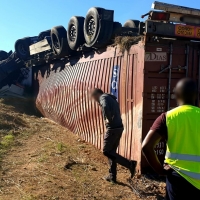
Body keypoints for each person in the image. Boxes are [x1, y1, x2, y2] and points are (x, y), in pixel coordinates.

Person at [142, 78, 200, 200]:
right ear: (196, 95)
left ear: (176, 95)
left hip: (178, 180)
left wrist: (160, 171)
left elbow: (147, 146)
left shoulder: (168, 117)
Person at [91, 88, 137, 183]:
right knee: (111, 152)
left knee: (106, 151)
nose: (95, 100)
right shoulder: (110, 98)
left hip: (113, 128)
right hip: (118, 128)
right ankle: (113, 176)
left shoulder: (103, 97)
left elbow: (105, 107)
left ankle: (129, 164)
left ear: (96, 94)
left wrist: (108, 119)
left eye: (94, 97)